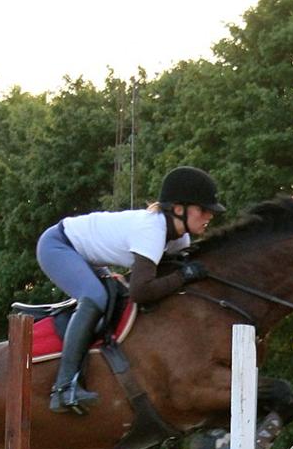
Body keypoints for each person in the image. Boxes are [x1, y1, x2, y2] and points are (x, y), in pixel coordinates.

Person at [36, 166, 225, 414]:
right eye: (203, 209)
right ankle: (62, 388)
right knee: (95, 297)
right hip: (58, 245)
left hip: (85, 255)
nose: (209, 215)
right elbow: (142, 291)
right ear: (179, 209)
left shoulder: (180, 239)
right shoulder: (152, 230)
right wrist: (184, 275)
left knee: (113, 298)